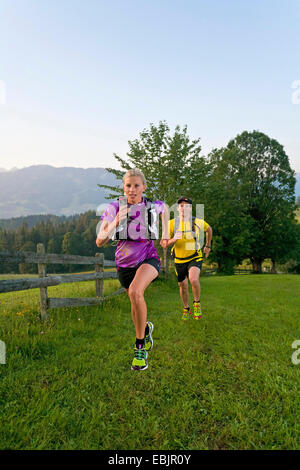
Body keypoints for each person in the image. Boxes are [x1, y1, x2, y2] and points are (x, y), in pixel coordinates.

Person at [96, 169, 168, 371]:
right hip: (124, 265)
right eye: (128, 185)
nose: (132, 189)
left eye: (137, 185)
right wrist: (116, 221)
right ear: (123, 188)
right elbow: (99, 241)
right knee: (135, 303)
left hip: (148, 259)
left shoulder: (152, 206)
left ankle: (139, 349)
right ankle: (145, 329)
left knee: (137, 292)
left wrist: (166, 232)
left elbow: (166, 210)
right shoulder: (113, 208)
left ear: (144, 187)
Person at [161, 196, 212, 320]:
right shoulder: (171, 223)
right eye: (181, 206)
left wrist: (207, 245)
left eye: (187, 206)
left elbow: (209, 229)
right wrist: (174, 239)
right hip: (179, 260)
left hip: (195, 256)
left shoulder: (198, 222)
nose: (184, 208)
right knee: (182, 286)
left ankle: (197, 304)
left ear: (191, 209)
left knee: (193, 279)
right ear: (178, 208)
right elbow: (164, 243)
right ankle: (186, 308)